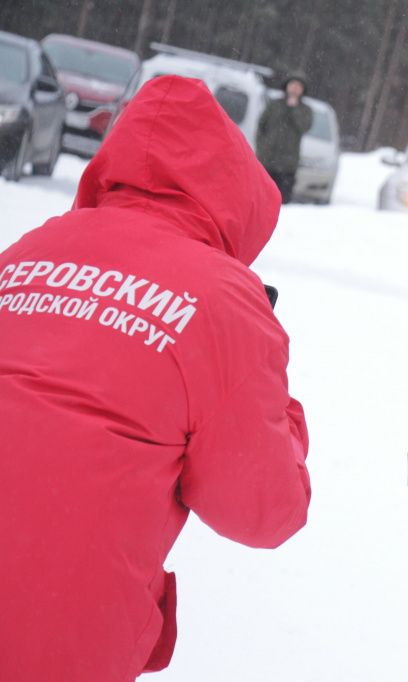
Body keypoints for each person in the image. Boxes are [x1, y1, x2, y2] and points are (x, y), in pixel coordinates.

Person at [0, 76, 311, 681]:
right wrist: (278, 400)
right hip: (58, 635)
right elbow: (263, 509)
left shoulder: (26, 253)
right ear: (235, 190)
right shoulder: (223, 301)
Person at [256, 72, 313, 204]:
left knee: (282, 200)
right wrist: (261, 147)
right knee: (261, 196)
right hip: (267, 159)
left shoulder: (305, 110)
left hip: (288, 164)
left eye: (298, 86)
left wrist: (294, 109)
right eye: (292, 85)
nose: (295, 88)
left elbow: (304, 127)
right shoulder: (274, 104)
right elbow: (261, 126)